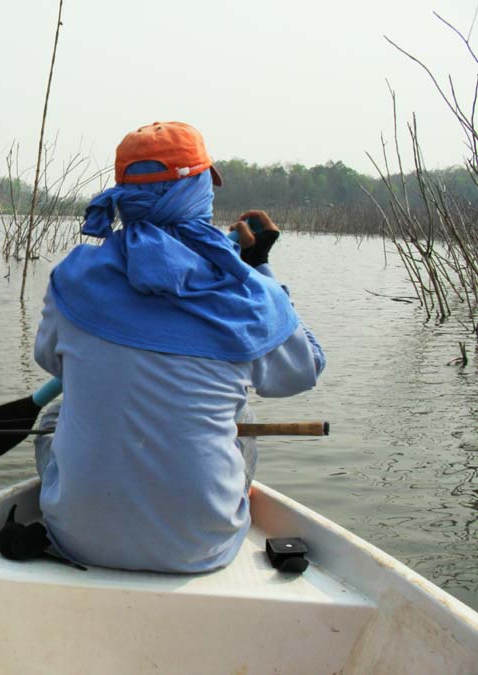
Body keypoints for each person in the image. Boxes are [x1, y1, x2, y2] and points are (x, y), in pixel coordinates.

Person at [32, 121, 325, 573]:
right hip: (200, 549)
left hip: (77, 540)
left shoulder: (73, 275)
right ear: (200, 190)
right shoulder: (247, 289)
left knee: (55, 412)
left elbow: (52, 360)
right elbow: (304, 370)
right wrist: (260, 266)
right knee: (241, 415)